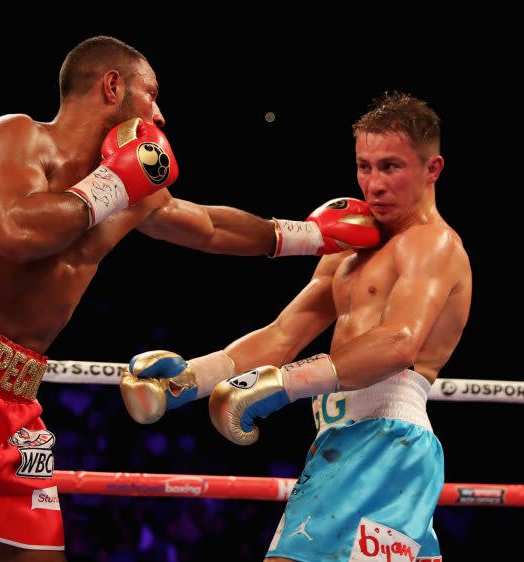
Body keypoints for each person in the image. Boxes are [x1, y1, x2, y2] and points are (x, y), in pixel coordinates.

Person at [0, 36, 379, 562]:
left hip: (14, 401)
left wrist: (315, 237)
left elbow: (210, 227)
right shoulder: (14, 138)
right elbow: (19, 235)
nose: (160, 117)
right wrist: (114, 182)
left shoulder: (135, 193)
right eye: (152, 95)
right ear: (113, 87)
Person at [122, 91, 470, 562]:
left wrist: (282, 386)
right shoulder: (349, 250)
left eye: (391, 167)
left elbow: (398, 343)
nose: (373, 184)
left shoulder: (434, 244)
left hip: (385, 439)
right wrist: (191, 379)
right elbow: (283, 335)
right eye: (364, 166)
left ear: (433, 170)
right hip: (344, 441)